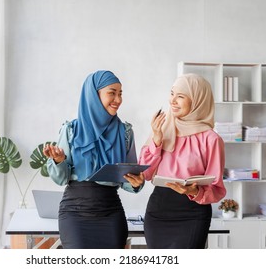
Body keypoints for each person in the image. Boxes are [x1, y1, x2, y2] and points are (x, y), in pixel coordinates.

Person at [43, 70, 145, 249]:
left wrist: (136, 182)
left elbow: (128, 178)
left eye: (120, 94)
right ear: (94, 95)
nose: (118, 100)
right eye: (112, 93)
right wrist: (59, 161)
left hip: (110, 212)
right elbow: (61, 179)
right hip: (75, 214)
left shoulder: (125, 132)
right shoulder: (71, 130)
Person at [139, 73, 226, 249]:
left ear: (197, 100)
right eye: (172, 94)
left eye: (180, 96)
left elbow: (217, 188)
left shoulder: (211, 139)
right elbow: (145, 173)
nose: (173, 101)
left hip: (192, 213)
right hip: (159, 210)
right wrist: (156, 139)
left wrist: (194, 192)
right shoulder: (163, 129)